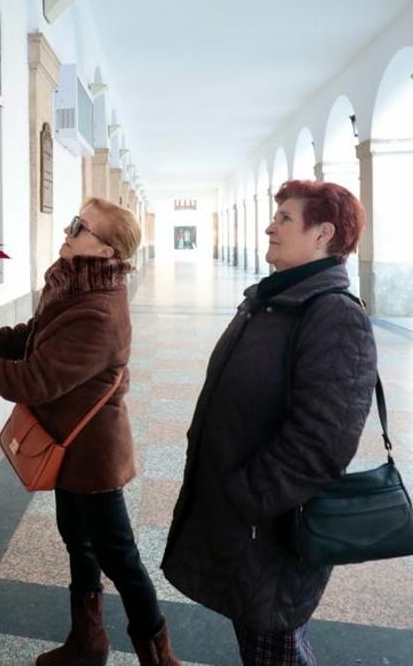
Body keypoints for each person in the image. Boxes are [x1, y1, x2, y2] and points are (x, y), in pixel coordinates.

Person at [0, 197, 182, 666]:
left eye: (80, 227)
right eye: (73, 221)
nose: (67, 230)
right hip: (67, 443)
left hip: (92, 455)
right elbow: (29, 338)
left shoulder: (97, 311)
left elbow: (32, 378)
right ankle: (87, 643)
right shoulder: (75, 288)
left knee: (119, 557)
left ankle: (159, 658)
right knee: (78, 542)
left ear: (105, 251)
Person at [161, 180, 377, 665]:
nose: (269, 227)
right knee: (266, 642)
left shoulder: (333, 316)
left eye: (284, 219)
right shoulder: (274, 302)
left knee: (274, 646)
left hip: (272, 530)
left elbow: (322, 442)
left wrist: (244, 498)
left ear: (323, 235)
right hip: (251, 525)